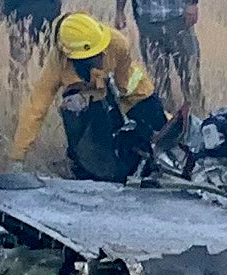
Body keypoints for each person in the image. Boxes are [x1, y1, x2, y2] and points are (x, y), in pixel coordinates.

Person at [12, 11, 168, 180]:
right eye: (94, 55)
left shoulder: (117, 43)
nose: (101, 57)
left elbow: (128, 87)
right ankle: (87, 169)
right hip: (92, 106)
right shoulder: (58, 63)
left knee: (155, 125)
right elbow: (36, 107)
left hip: (129, 94)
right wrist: (17, 157)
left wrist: (153, 122)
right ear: (74, 57)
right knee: (77, 109)